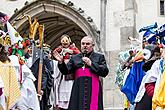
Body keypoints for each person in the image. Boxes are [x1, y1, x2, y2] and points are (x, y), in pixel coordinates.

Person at [53, 36, 109, 110]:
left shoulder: (99, 57)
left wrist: (91, 64)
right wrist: (61, 62)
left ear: (93, 45)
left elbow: (105, 71)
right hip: (78, 88)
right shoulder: (75, 57)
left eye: (87, 44)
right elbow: (66, 71)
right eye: (83, 44)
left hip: (93, 87)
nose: (85, 46)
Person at [54, 34, 80, 110]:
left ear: (69, 41)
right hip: (62, 69)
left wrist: (70, 51)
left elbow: (78, 54)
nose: (65, 43)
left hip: (71, 70)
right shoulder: (60, 48)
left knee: (70, 85)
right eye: (63, 41)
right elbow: (55, 52)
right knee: (61, 84)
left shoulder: (73, 48)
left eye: (66, 41)